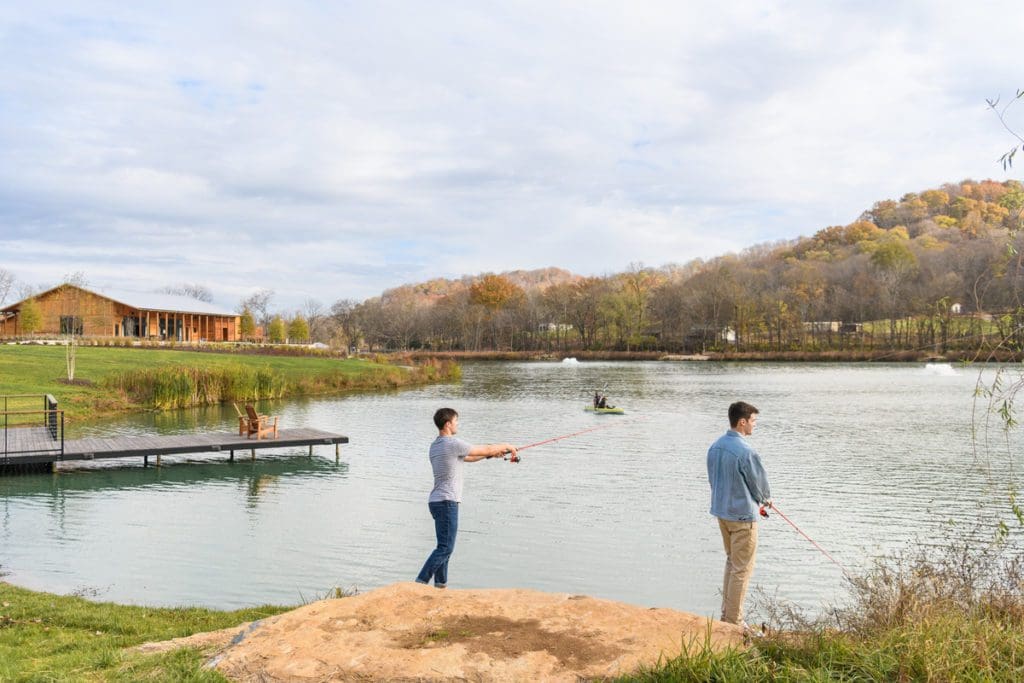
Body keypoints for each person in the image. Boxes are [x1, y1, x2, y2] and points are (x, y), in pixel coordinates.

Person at [415, 408, 518, 589]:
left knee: (444, 545)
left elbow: (469, 458)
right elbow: (484, 448)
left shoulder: (436, 445)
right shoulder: (452, 443)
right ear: (448, 424)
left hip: (436, 501)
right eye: (456, 421)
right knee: (445, 548)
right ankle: (420, 583)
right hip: (447, 501)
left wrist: (489, 456)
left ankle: (440, 584)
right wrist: (507, 446)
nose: (457, 424)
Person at [706, 401, 772, 627]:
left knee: (731, 563)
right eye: (753, 421)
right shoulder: (746, 451)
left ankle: (726, 615)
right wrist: (766, 500)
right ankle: (734, 621)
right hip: (743, 518)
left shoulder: (715, 446)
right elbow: (759, 486)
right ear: (742, 422)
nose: (754, 426)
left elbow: (713, 480)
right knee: (742, 569)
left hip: (722, 514)